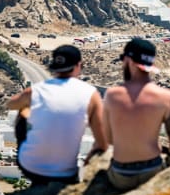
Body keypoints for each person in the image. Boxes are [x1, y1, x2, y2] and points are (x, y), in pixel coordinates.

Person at [104, 38, 170, 191]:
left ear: (128, 60)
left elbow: (108, 138)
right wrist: (169, 156)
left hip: (121, 174)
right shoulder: (165, 97)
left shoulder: (112, 95)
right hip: (152, 170)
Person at [8, 44, 107, 186]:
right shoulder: (91, 94)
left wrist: (29, 106)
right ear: (79, 65)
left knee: (24, 110)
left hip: (30, 167)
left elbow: (11, 104)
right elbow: (101, 140)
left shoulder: (36, 90)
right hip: (66, 173)